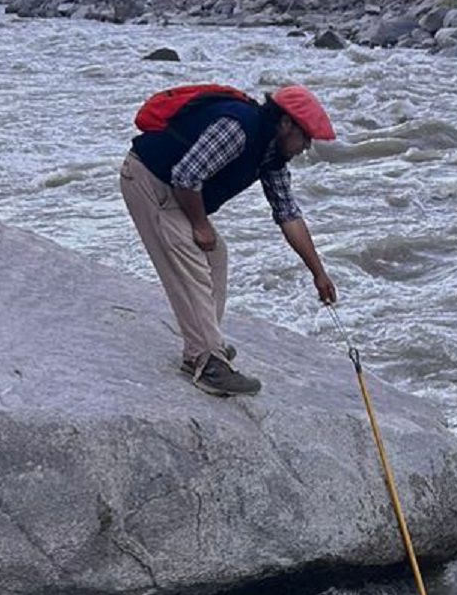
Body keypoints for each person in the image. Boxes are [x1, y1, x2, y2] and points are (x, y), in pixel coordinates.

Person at [119, 84, 339, 397]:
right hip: (150, 182)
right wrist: (199, 224)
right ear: (286, 123)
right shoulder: (240, 127)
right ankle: (207, 361)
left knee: (215, 256)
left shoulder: (272, 153)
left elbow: (288, 214)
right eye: (305, 136)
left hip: (175, 191)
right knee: (190, 258)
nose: (306, 146)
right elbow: (186, 176)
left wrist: (319, 273)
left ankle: (206, 346)